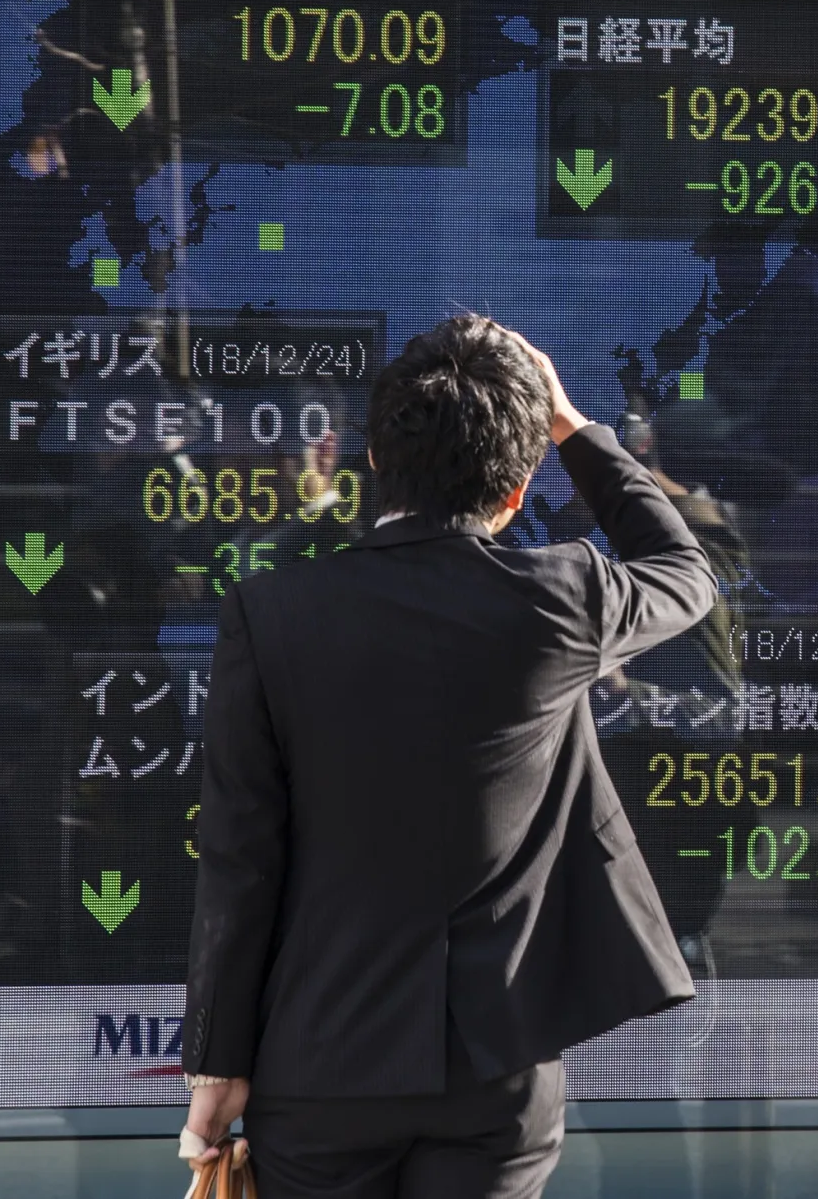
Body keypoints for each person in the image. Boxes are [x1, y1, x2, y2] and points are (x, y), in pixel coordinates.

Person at [180, 315, 717, 1197]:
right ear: (517, 488)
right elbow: (685, 568)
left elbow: (239, 858)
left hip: (318, 1061)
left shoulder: (270, 614)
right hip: (496, 1065)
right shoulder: (562, 599)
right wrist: (573, 426)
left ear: (375, 460)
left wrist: (216, 1065)